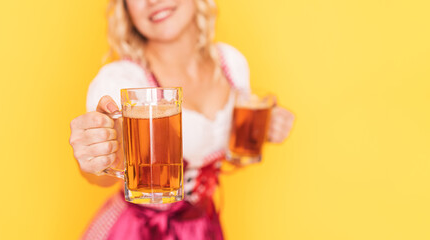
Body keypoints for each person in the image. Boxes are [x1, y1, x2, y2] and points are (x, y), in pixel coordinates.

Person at [69, 0, 295, 239]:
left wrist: (262, 131)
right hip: (138, 230)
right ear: (125, 7)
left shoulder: (231, 63)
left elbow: (233, 157)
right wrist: (94, 154)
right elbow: (100, 176)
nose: (153, 1)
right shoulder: (122, 80)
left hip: (202, 228)